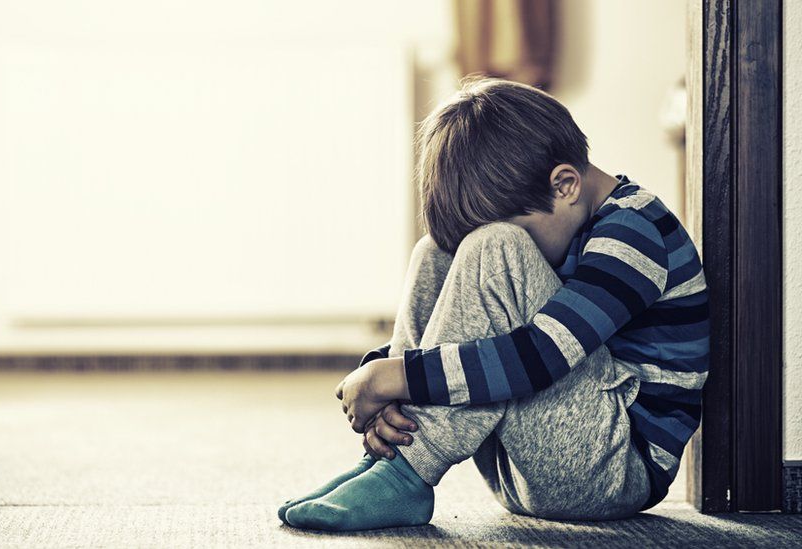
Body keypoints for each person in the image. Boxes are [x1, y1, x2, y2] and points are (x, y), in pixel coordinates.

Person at [277, 76, 709, 531]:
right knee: (436, 250)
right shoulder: (569, 215)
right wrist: (395, 380)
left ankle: (407, 474)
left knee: (495, 246)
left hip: (611, 470)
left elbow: (540, 356)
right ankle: (392, 453)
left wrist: (395, 375)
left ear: (564, 185)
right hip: (523, 462)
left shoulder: (634, 234)